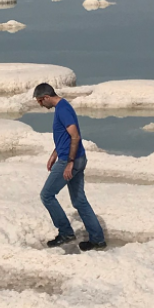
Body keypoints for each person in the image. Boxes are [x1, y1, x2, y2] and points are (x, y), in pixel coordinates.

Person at [33, 83, 105, 251]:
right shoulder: (62, 107)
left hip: (70, 160)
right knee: (79, 201)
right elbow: (64, 138)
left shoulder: (63, 110)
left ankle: (66, 232)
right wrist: (54, 154)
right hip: (74, 158)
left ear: (47, 98)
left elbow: (74, 136)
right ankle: (98, 239)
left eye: (40, 101)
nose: (40, 105)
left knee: (47, 195)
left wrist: (69, 162)